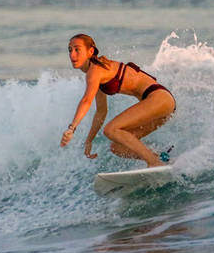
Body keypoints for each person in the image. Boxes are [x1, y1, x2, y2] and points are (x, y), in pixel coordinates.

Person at [60, 34, 175, 168]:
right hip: (161, 107)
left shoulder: (95, 70)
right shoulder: (96, 74)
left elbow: (86, 100)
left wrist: (71, 128)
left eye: (77, 49)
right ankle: (161, 159)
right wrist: (89, 140)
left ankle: (154, 163)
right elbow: (101, 111)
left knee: (111, 129)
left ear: (90, 51)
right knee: (118, 148)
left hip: (159, 98)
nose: (72, 54)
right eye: (70, 50)